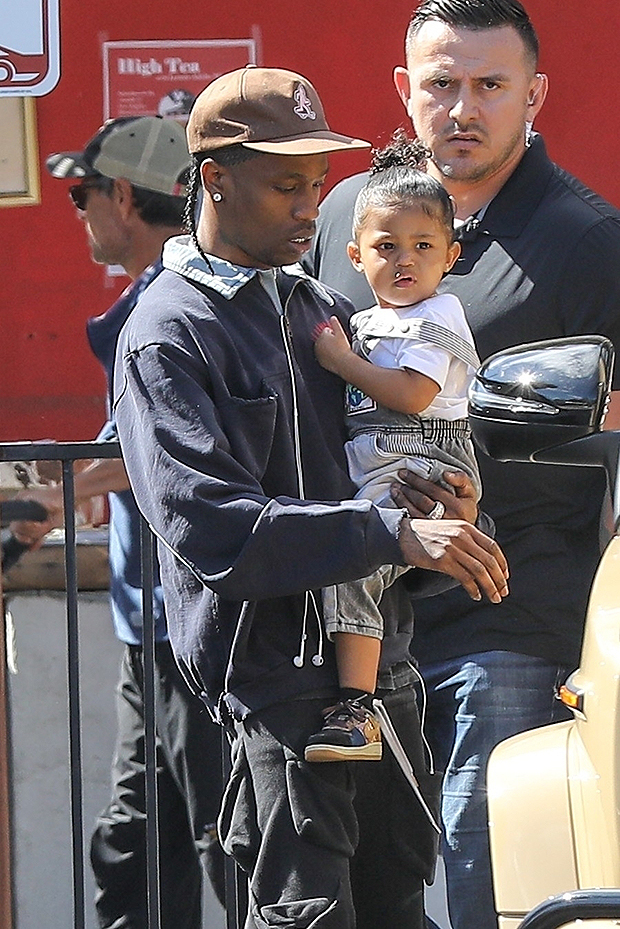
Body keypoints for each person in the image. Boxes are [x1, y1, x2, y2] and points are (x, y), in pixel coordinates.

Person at [111, 65, 509, 929]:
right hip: (274, 692)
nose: (309, 207)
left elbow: (386, 490)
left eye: (318, 185)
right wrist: (391, 532)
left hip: (383, 671)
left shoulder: (319, 307)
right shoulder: (167, 332)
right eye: (288, 184)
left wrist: (444, 513)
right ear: (213, 179)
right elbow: (212, 530)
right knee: (311, 915)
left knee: (398, 903)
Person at [304, 0, 620, 927]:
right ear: (405, 91)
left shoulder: (585, 238)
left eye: (491, 85)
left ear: (535, 94)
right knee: (370, 885)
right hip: (358, 609)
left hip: (506, 607)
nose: (464, 108)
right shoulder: (342, 218)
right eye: (441, 84)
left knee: (488, 873)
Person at [13, 116, 225, 929]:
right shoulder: (162, 298)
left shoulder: (176, 304)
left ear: (126, 196)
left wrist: (55, 494)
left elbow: (160, 451)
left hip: (195, 628)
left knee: (222, 843)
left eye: (82, 193)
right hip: (151, 630)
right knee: (137, 846)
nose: (78, 212)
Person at [305, 133, 481, 764]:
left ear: (451, 255)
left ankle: (358, 710)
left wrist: (339, 361)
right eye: (386, 247)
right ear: (354, 254)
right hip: (375, 460)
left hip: (423, 461)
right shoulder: (366, 319)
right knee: (336, 550)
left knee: (357, 555)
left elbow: (410, 394)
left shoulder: (440, 316)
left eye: (423, 246)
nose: (404, 261)